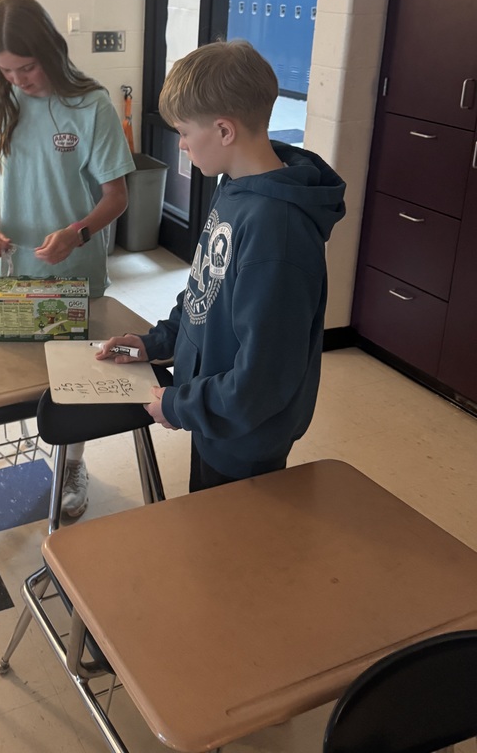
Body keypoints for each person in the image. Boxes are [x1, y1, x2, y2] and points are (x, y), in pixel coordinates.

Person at [97, 39, 346, 491]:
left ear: (225, 130)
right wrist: (153, 344)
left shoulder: (279, 230)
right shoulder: (235, 187)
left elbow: (263, 379)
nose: (184, 146)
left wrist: (179, 406)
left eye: (186, 134)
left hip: (245, 434)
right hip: (217, 414)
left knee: (233, 552)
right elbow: (203, 294)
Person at [0, 0, 135, 517]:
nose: (19, 79)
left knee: (73, 386)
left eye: (27, 67)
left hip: (72, 277)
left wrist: (77, 234)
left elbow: (117, 196)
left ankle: (72, 462)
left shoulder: (91, 105)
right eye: (6, 70)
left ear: (51, 51)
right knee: (7, 382)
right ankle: (24, 454)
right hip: (11, 273)